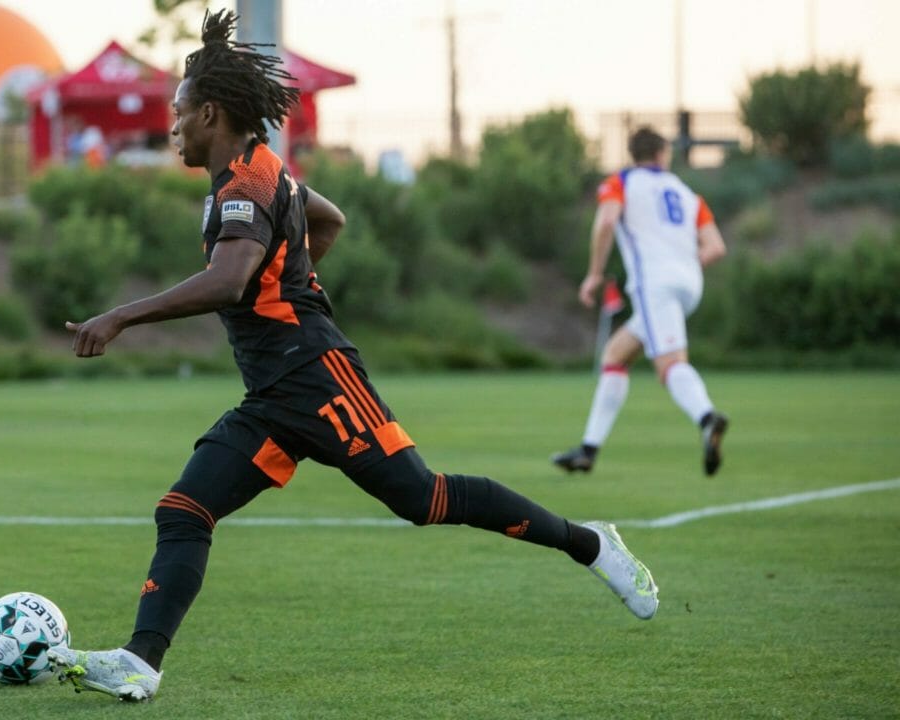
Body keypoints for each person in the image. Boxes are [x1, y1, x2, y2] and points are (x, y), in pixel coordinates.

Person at [48, 11, 659, 703]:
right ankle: (141, 662)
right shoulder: (262, 172)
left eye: (179, 112)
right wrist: (295, 277)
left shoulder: (246, 183)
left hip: (316, 376)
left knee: (425, 498)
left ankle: (591, 544)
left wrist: (121, 316)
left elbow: (228, 281)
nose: (173, 127)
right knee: (184, 509)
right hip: (274, 397)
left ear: (210, 113)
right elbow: (327, 219)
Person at [551, 128, 728, 476]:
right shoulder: (688, 193)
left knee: (669, 363)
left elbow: (606, 221)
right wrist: (684, 263)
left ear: (634, 154)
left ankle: (707, 418)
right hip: (690, 283)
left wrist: (594, 274)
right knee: (615, 355)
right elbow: (716, 247)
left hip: (654, 285)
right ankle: (588, 450)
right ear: (662, 153)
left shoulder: (621, 181)